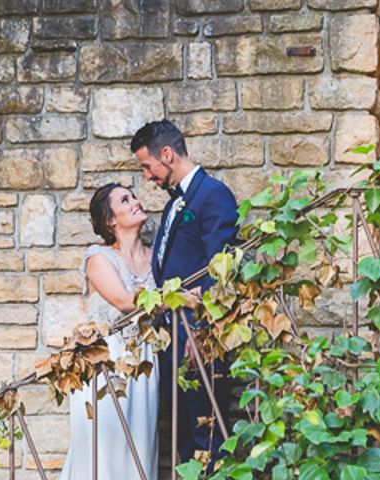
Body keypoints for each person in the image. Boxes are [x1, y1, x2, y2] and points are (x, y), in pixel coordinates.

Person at [131, 120, 238, 465]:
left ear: (166, 154)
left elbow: (218, 265)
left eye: (147, 166)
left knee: (206, 432)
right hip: (173, 338)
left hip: (196, 337)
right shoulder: (173, 203)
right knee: (182, 437)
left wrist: (201, 329)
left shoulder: (213, 195)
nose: (147, 176)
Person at [60, 183, 159, 480]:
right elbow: (124, 301)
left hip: (145, 361)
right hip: (105, 363)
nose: (135, 202)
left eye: (134, 196)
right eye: (125, 200)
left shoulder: (158, 257)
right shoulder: (98, 257)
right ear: (110, 220)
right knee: (103, 454)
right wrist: (178, 296)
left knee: (140, 450)